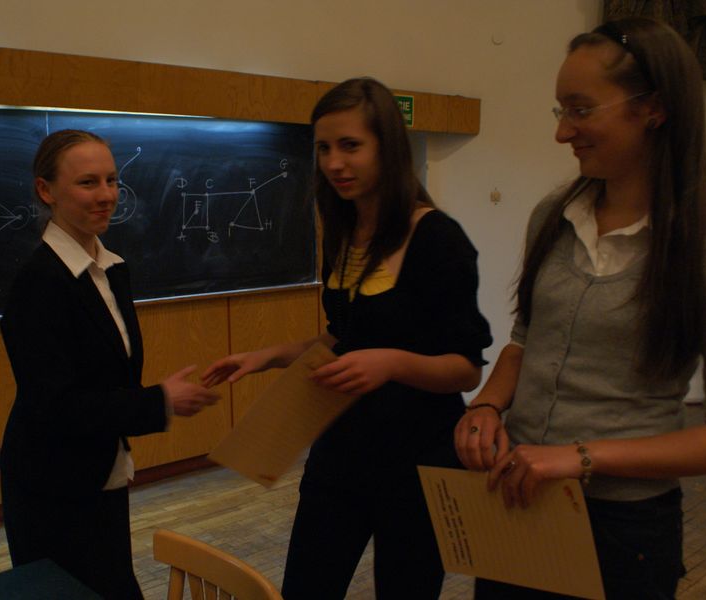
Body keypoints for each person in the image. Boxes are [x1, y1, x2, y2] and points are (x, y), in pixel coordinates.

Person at [454, 17, 706, 600]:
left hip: (624, 526)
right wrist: (489, 405)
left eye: (580, 110)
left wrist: (577, 458)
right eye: (560, 110)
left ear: (653, 109)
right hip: (518, 493)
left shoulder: (704, 241)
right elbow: (526, 338)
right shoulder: (554, 215)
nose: (562, 132)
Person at [202, 77, 492, 599]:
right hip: (342, 448)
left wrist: (391, 363)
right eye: (324, 148)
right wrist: (266, 356)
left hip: (416, 459)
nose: (334, 163)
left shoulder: (437, 238)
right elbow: (347, 337)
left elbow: (466, 368)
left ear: (388, 147)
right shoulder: (343, 230)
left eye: (350, 146)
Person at [0, 129, 218, 599]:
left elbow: (107, 381)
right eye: (87, 183)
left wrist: (151, 402)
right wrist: (158, 401)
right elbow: (55, 406)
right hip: (53, 488)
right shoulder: (38, 284)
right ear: (46, 191)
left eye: (112, 180)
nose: (106, 195)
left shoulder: (112, 270)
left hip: (100, 470)